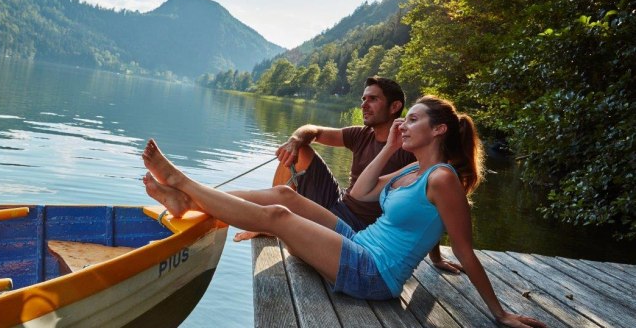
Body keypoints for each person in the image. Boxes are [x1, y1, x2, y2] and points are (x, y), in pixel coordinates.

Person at [141, 96, 546, 327]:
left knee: (280, 219)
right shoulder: (412, 168)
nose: (404, 126)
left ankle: (183, 185)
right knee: (289, 196)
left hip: (373, 273)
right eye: (404, 120)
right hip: (356, 244)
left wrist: (500, 312)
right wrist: (389, 147)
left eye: (414, 120)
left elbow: (465, 247)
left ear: (438, 130)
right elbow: (366, 191)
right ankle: (188, 200)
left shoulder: (442, 179)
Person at [235, 76, 460, 273]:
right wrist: (296, 138)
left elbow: (429, 205)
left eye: (373, 99)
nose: (364, 105)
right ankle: (263, 219)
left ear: (395, 107)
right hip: (339, 203)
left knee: (288, 205)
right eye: (363, 99)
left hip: (358, 228)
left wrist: (436, 256)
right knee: (299, 149)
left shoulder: (411, 148)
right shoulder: (361, 134)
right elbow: (315, 130)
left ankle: (260, 218)